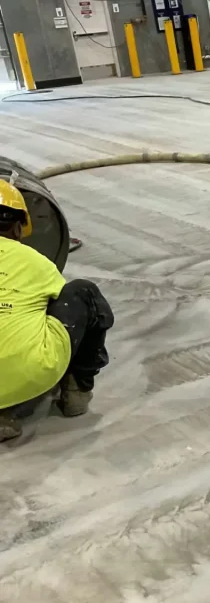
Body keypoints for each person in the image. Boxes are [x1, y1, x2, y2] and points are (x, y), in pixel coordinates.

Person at [0, 179, 114, 442]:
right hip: (30, 374)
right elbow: (59, 304)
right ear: (20, 228)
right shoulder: (38, 263)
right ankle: (77, 389)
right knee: (82, 293)